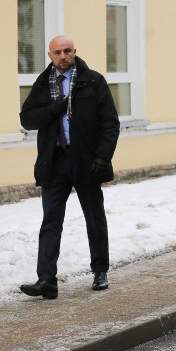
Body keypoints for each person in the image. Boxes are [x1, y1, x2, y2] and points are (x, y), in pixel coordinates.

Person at [19, 35, 120, 299]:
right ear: (50, 55)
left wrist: (102, 157)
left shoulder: (93, 81)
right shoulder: (43, 84)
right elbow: (27, 119)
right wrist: (54, 110)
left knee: (94, 217)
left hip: (86, 161)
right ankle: (46, 280)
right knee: (50, 221)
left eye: (67, 51)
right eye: (57, 52)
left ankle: (100, 271)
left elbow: (110, 123)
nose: (63, 56)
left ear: (75, 52)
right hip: (54, 162)